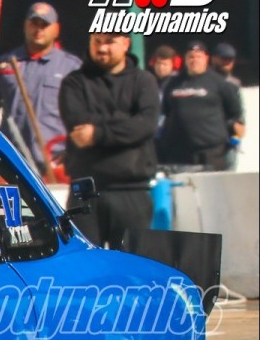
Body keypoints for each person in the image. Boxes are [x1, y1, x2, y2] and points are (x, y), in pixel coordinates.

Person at [58, 32, 159, 248]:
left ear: (126, 44)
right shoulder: (74, 82)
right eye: (97, 41)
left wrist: (97, 134)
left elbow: (146, 125)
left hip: (132, 191)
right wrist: (126, 121)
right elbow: (77, 124)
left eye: (110, 42)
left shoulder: (143, 81)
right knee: (85, 265)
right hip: (85, 194)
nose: (102, 48)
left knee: (131, 265)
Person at [0, 2, 82, 175]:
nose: (38, 30)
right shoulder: (5, 63)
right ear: (25, 26)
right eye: (34, 24)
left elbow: (83, 119)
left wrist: (71, 155)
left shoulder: (72, 67)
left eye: (44, 25)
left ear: (56, 29)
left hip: (55, 167)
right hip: (12, 162)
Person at [157, 40, 244, 172]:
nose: (194, 60)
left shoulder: (220, 83)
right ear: (185, 59)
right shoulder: (172, 84)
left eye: (198, 56)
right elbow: (165, 113)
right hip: (179, 154)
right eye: (191, 57)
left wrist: (235, 136)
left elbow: (235, 115)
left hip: (212, 153)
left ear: (206, 58)